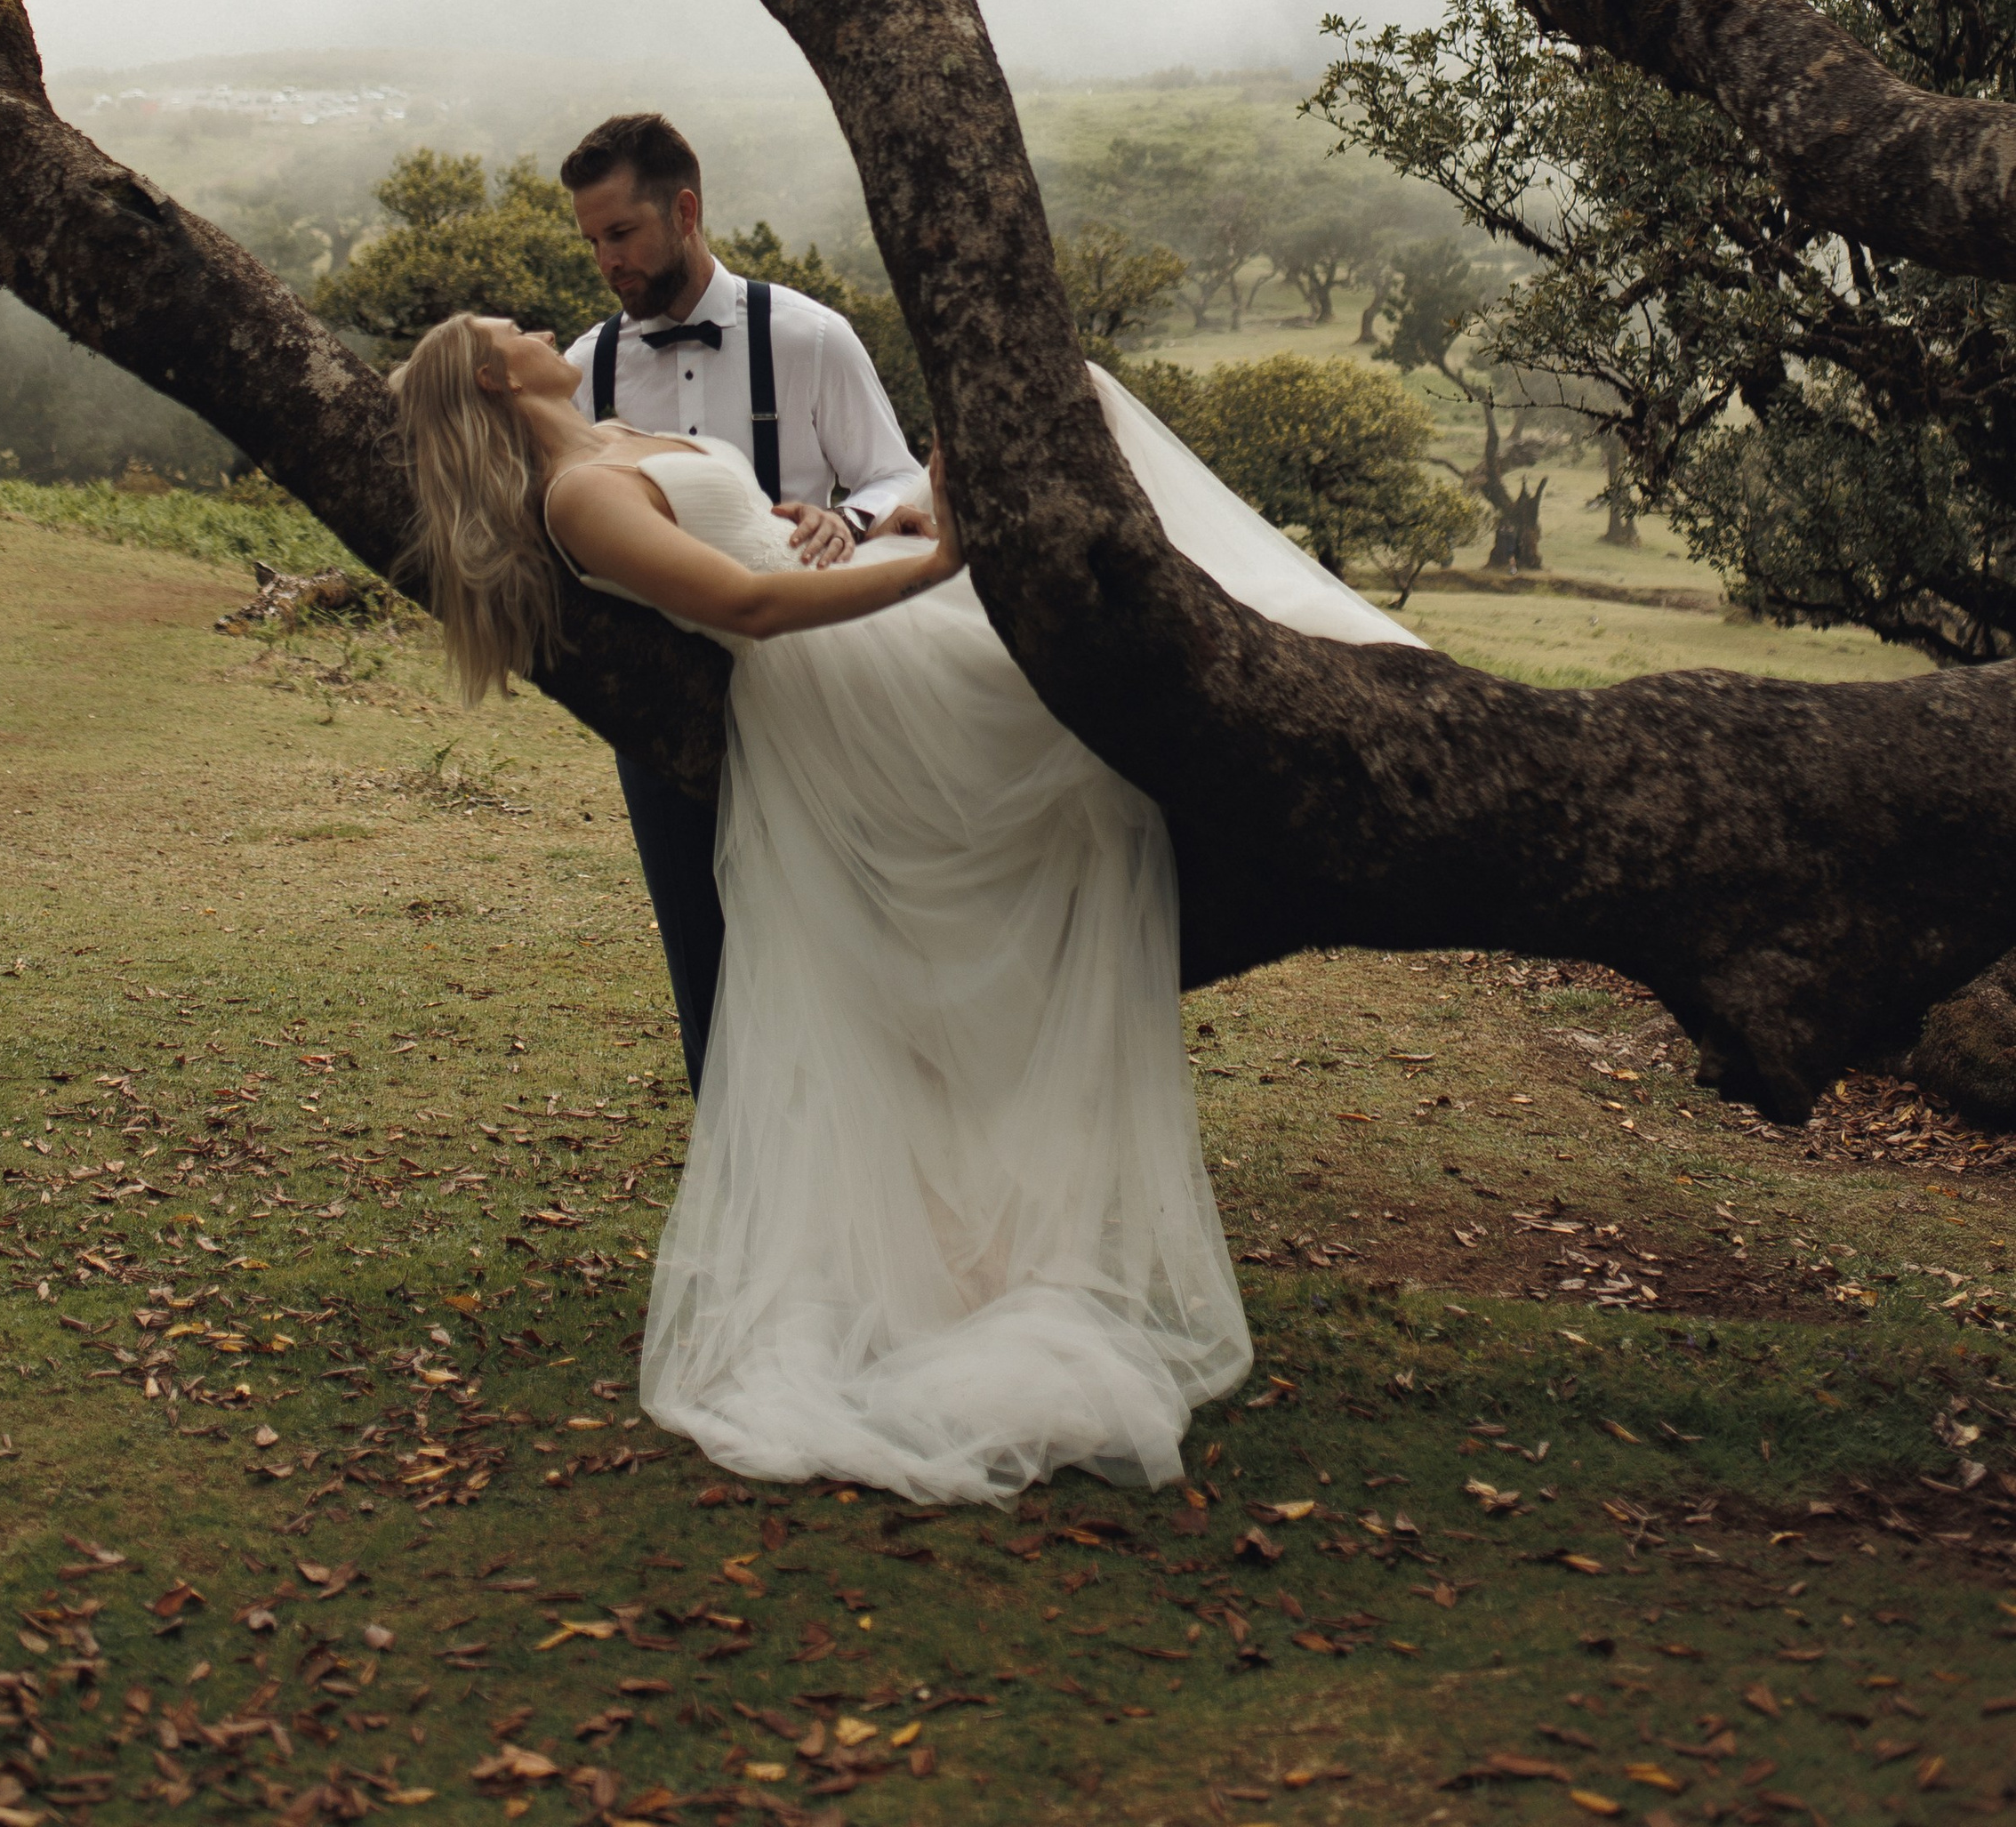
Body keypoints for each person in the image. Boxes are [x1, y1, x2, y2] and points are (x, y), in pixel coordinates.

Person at [388, 307, 1418, 1508]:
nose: (533, 317)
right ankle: (1362, 702)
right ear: (493, 375)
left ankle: (1363, 686)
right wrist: (934, 565)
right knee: (1062, 459)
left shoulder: (617, 436)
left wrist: (848, 522)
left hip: (858, 601)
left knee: (1067, 399)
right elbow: (749, 608)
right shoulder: (575, 496)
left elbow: (761, 537)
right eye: (506, 326)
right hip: (835, 685)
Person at [557, 110, 933, 1095]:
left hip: (823, 703)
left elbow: (900, 475)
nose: (606, 261)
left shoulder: (810, 336)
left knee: (853, 948)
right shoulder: (585, 369)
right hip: (664, 712)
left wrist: (848, 521)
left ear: (683, 211)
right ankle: (740, 1172)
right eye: (591, 240)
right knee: (706, 964)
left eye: (621, 233)